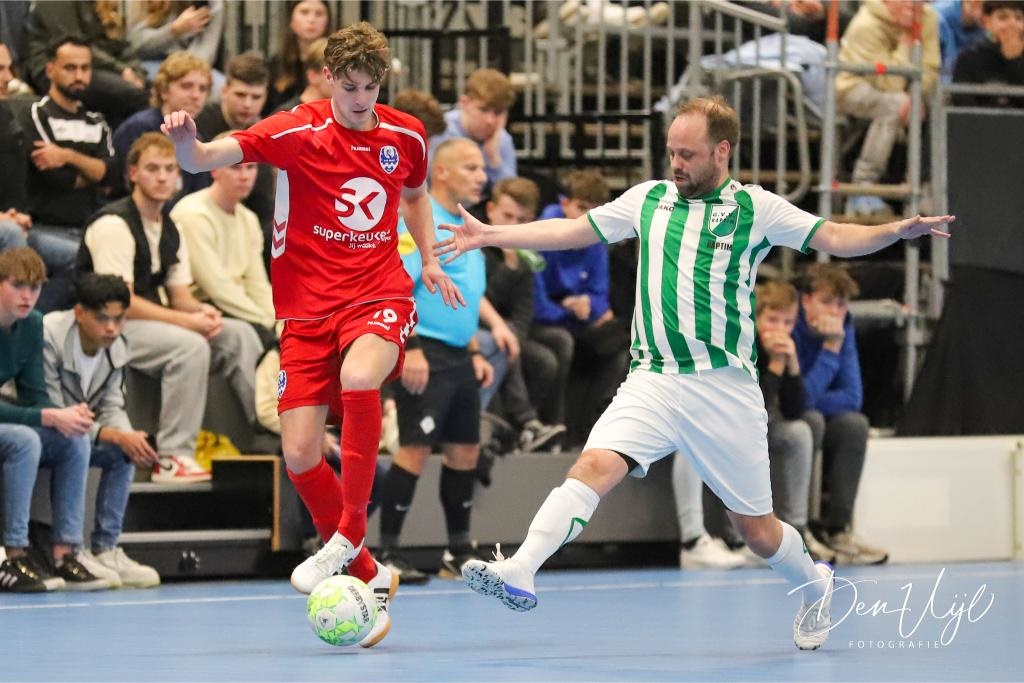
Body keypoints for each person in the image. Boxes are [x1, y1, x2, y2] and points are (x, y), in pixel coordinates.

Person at [435, 96, 953, 650]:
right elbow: (573, 231)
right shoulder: (649, 199)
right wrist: (490, 236)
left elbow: (834, 237)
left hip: (724, 388)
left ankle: (814, 583)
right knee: (593, 464)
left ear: (722, 151)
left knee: (755, 530)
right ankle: (521, 568)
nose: (676, 164)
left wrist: (895, 230)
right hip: (652, 379)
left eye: (688, 154)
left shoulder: (755, 208)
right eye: (671, 152)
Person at [161, 21, 463, 647]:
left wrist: (430, 258)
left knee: (359, 377)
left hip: (377, 292)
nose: (360, 99)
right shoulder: (296, 129)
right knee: (300, 454)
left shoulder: (406, 133)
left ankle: (348, 533)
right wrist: (188, 144)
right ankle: (369, 572)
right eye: (349, 87)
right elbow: (204, 159)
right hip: (304, 312)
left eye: (370, 87)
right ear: (327, 78)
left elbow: (415, 196)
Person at [78, 132, 262, 485]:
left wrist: (203, 313)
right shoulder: (114, 224)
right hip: (104, 326)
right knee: (189, 346)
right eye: (152, 169)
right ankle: (173, 457)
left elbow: (180, 296)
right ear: (133, 174)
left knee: (237, 333)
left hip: (148, 321)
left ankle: (268, 429)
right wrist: (187, 322)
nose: (162, 177)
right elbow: (121, 304)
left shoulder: (170, 226)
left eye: (169, 169)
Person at [377, 138, 494, 586]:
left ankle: (458, 551)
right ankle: (388, 552)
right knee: (415, 448)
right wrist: (409, 347)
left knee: (466, 450)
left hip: (459, 355)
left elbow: (462, 297)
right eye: (470, 167)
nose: (481, 176)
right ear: (440, 172)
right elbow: (396, 285)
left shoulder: (467, 225)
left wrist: (475, 350)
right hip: (424, 349)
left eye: (482, 168)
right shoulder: (420, 221)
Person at [0, 247, 111, 592]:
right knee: (25, 439)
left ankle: (65, 554)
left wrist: (66, 416)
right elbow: (37, 412)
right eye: (18, 285)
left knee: (73, 438)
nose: (27, 296)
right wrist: (46, 415)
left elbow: (35, 393)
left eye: (34, 288)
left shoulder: (32, 324)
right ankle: (14, 554)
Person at [42, 273, 162, 588]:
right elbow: (52, 407)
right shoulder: (50, 334)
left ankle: (106, 549)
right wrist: (116, 435)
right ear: (79, 312)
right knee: (84, 442)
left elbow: (112, 406)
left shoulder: (118, 346)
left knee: (123, 450)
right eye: (102, 318)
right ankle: (70, 552)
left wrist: (129, 438)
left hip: (78, 430)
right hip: (42, 426)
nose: (111, 328)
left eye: (118, 319)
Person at [793, 263, 888, 566]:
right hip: (779, 416)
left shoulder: (843, 327)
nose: (834, 312)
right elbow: (796, 400)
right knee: (810, 422)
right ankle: (799, 528)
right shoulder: (788, 323)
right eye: (826, 302)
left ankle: (839, 529)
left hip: (813, 412)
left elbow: (852, 397)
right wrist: (829, 353)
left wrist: (833, 346)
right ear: (805, 300)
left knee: (854, 425)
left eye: (841, 304)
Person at [24, 36, 118, 312]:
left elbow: (111, 177)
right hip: (44, 228)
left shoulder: (97, 122)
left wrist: (67, 156)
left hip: (89, 226)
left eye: (85, 68)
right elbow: (56, 178)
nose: (79, 75)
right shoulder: (36, 114)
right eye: (70, 68)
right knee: (82, 261)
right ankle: (30, 322)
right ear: (50, 70)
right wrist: (93, 170)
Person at [477, 177, 566, 453]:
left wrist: (511, 333)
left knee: (552, 350)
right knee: (503, 342)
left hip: (508, 333)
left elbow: (524, 313)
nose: (513, 226)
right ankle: (527, 423)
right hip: (474, 330)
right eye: (507, 216)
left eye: (522, 220)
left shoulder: (525, 257)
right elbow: (475, 303)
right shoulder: (475, 247)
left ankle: (534, 428)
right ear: (490, 210)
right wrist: (508, 267)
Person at [836, 0, 940, 216]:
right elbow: (889, 82)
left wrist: (915, 95)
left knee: (938, 103)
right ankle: (862, 185)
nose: (912, 8)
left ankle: (924, 185)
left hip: (905, 91)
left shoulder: (927, 18)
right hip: (852, 87)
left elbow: (930, 67)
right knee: (895, 104)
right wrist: (906, 45)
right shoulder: (866, 24)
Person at [171, 131, 275, 345]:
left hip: (241, 306)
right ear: (214, 169)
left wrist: (278, 321)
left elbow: (257, 282)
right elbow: (216, 286)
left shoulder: (249, 219)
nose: (244, 176)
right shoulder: (193, 213)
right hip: (203, 307)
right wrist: (265, 322)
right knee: (253, 337)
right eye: (235, 167)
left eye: (251, 167)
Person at [113, 51, 212, 198]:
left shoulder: (197, 137)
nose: (196, 96)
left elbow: (199, 194)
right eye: (186, 86)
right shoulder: (139, 128)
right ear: (164, 91)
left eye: (203, 89)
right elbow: (121, 186)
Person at [429, 68, 517, 187]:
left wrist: (493, 158)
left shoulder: (502, 139)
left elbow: (512, 194)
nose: (490, 121)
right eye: (483, 110)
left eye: (498, 112)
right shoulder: (440, 131)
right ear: (464, 103)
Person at [952, 1, 1024, 108]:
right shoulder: (969, 58)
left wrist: (1014, 60)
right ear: (987, 22)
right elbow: (962, 105)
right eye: (1003, 18)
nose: (1012, 25)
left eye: (1018, 18)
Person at [266, 0, 331, 113]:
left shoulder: (336, 61)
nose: (311, 20)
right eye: (304, 12)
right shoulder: (276, 64)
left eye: (319, 14)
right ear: (291, 20)